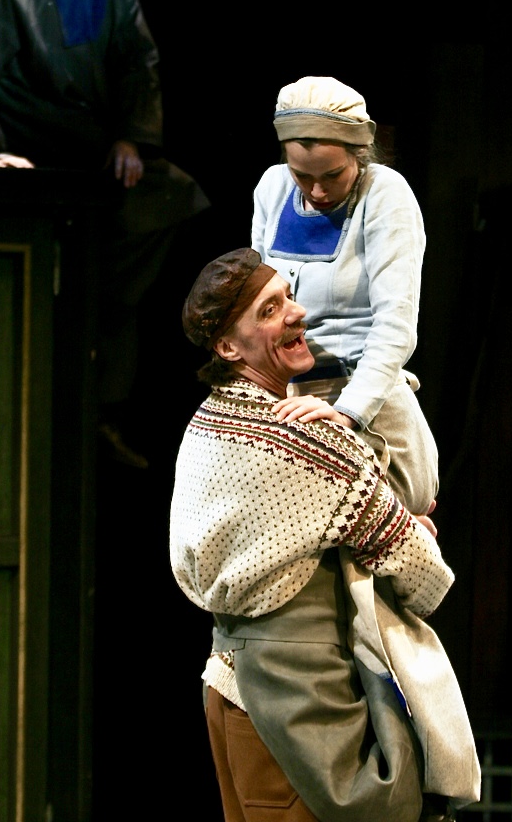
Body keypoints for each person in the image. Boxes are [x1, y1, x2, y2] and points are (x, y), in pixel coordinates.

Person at [170, 248, 480, 822]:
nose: (297, 313)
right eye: (269, 310)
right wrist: (411, 530)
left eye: (288, 296)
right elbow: (425, 579)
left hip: (230, 688)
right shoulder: (305, 439)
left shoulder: (205, 423)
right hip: (300, 701)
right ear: (229, 347)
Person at [0, 0, 210, 467]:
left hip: (94, 143)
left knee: (171, 193)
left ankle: (102, 330)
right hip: (31, 138)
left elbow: (139, 65)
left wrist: (130, 139)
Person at [251, 76, 437, 515]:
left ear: (360, 153)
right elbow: (256, 302)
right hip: (293, 404)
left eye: (332, 175)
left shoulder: (384, 193)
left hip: (367, 407)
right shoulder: (273, 188)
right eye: (302, 175)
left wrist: (348, 413)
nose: (316, 191)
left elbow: (395, 327)